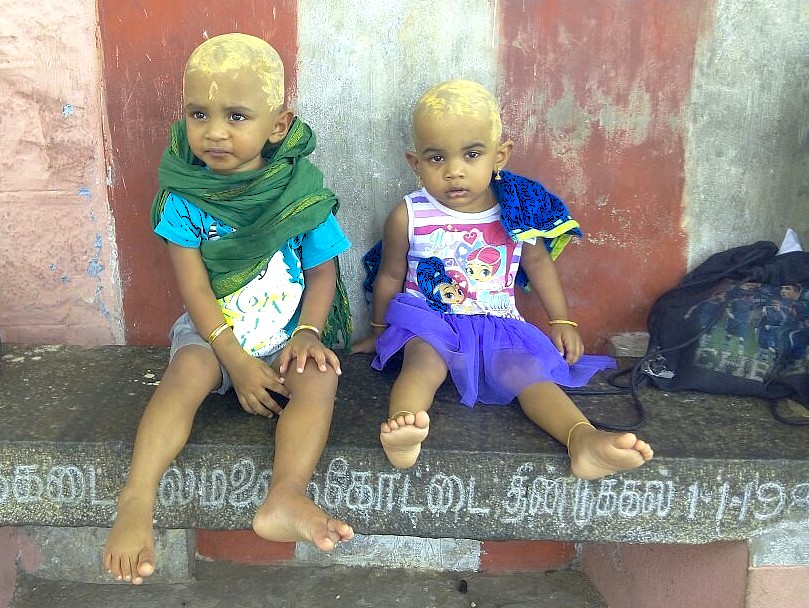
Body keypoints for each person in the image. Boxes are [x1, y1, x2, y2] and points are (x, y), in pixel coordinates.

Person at [103, 33, 354, 585]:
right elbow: (193, 289)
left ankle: (285, 495)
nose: (214, 132)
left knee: (320, 378)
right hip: (214, 330)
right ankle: (137, 497)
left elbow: (323, 272)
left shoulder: (300, 190)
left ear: (278, 125)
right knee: (186, 371)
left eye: (236, 115)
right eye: (199, 113)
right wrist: (234, 360)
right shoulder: (183, 196)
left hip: (289, 330)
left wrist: (309, 332)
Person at [353, 79, 653, 479]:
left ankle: (582, 439)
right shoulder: (410, 214)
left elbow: (540, 265)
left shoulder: (515, 212)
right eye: (436, 158)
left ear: (500, 155)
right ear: (415, 163)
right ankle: (405, 430)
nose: (454, 171)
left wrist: (561, 321)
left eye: (472, 154)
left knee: (529, 375)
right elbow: (391, 274)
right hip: (429, 319)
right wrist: (377, 330)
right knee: (423, 365)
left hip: (497, 323)